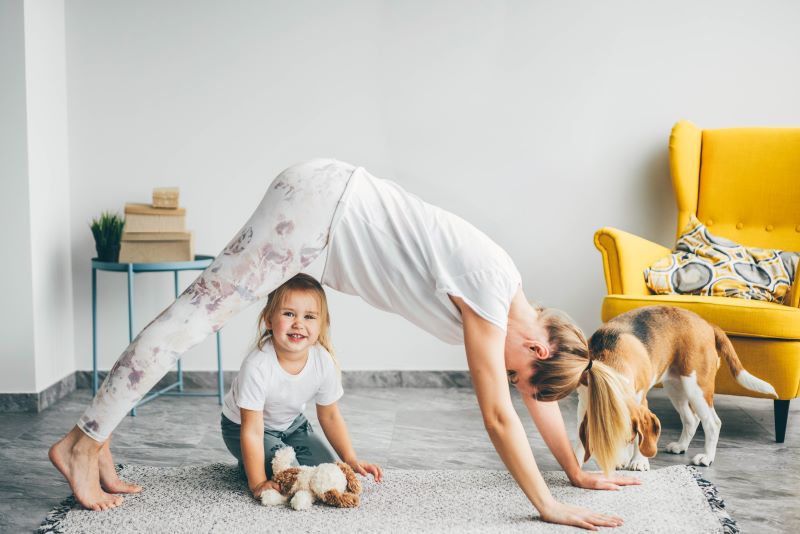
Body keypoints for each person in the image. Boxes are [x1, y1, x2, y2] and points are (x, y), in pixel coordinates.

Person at [51, 158, 636, 529]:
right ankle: (80, 446)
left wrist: (575, 473)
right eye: (519, 376)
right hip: (319, 212)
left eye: (518, 383)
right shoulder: (491, 291)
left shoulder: (508, 305)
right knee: (194, 318)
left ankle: (97, 437)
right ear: (538, 350)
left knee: (192, 315)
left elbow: (534, 398)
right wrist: (548, 507)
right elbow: (499, 417)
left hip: (324, 207)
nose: (512, 385)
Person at [221, 273, 382, 499]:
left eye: (309, 316)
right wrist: (257, 482)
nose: (299, 323)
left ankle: (258, 460)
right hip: (243, 428)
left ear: (322, 325)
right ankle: (251, 465)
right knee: (293, 477)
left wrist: (351, 459)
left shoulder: (323, 361)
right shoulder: (257, 366)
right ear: (268, 319)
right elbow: (253, 430)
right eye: (288, 314)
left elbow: (330, 416)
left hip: (292, 425)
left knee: (329, 473)